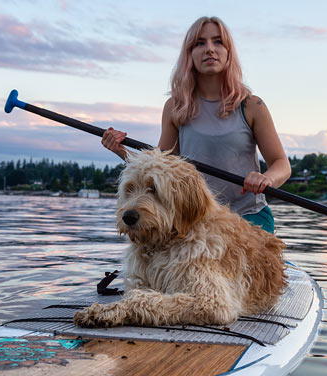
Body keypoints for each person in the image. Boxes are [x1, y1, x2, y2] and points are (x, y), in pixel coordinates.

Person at [102, 16, 291, 233]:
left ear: (228, 52)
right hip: (195, 218)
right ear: (189, 54)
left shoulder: (251, 105)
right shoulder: (175, 106)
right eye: (200, 43)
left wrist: (266, 178)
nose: (209, 49)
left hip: (248, 217)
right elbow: (160, 167)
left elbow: (281, 164)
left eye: (218, 42)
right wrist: (121, 151)